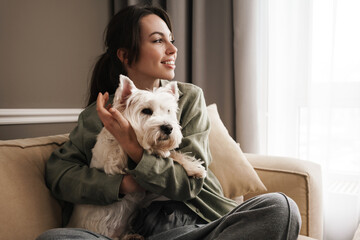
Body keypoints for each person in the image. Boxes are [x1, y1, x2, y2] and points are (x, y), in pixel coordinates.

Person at [37, 5, 301, 240]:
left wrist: (135, 150)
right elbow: (59, 174)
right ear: (125, 55)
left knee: (281, 208)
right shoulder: (98, 116)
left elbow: (190, 184)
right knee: (55, 238)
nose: (173, 50)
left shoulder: (187, 98)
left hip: (188, 221)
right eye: (158, 41)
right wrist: (121, 185)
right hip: (130, 225)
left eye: (171, 41)